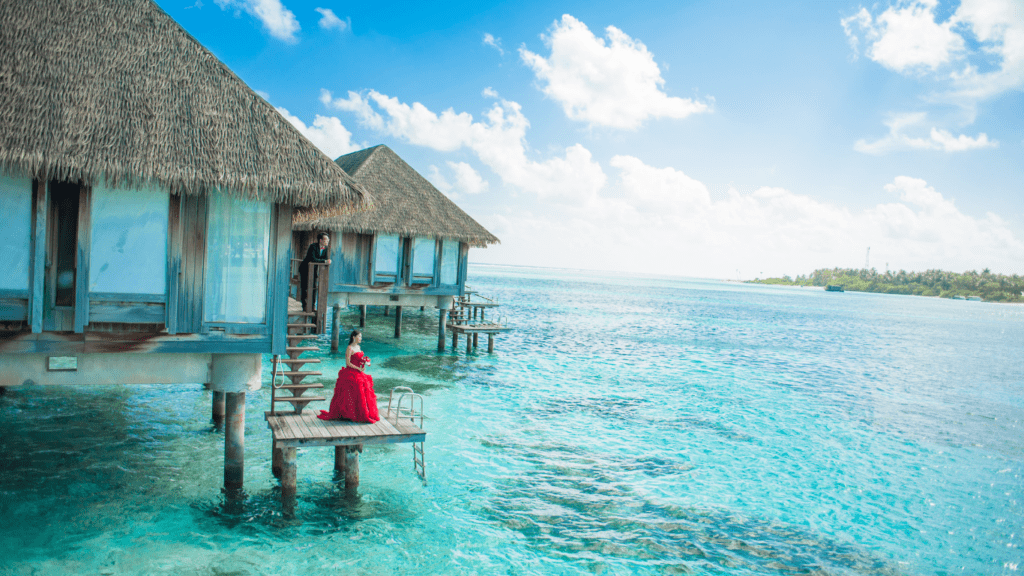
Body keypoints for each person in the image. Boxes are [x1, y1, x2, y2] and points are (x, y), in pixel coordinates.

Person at [318, 330, 380, 423]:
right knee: (355, 389)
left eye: (361, 337)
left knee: (365, 389)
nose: (360, 339)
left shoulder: (358, 347)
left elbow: (359, 359)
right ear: (353, 337)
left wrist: (364, 363)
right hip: (351, 372)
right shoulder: (349, 348)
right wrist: (358, 368)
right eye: (359, 337)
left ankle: (359, 413)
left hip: (359, 372)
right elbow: (348, 363)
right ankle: (350, 414)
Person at [299, 232, 332, 308]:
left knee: (314, 288)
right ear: (320, 240)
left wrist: (327, 261)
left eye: (328, 240)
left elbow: (326, 259)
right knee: (305, 288)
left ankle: (312, 306)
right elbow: (313, 259)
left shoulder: (325, 248)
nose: (328, 241)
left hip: (314, 270)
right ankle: (304, 306)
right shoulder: (313, 246)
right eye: (326, 240)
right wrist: (324, 261)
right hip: (305, 269)